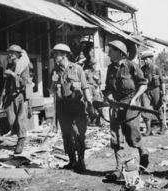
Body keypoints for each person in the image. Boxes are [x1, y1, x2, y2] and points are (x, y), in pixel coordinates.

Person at [103, 40, 149, 180]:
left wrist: (135, 98)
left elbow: (143, 85)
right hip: (116, 105)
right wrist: (110, 97)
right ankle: (118, 169)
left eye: (111, 51)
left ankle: (144, 155)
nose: (108, 53)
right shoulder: (110, 68)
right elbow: (108, 89)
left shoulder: (131, 66)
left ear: (119, 52)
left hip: (130, 105)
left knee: (132, 136)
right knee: (115, 137)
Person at [50, 43, 93, 173]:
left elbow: (85, 87)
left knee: (79, 134)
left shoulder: (77, 68)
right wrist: (53, 82)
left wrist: (90, 104)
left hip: (77, 107)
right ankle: (71, 161)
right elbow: (51, 91)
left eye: (56, 54)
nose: (53, 57)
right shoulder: (55, 71)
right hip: (63, 108)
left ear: (64, 55)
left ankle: (81, 162)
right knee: (67, 135)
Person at [0, 44, 30, 154]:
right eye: (9, 52)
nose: (10, 55)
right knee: (11, 119)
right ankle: (17, 136)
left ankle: (21, 142)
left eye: (13, 53)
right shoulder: (10, 64)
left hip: (21, 95)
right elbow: (6, 81)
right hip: (10, 94)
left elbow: (25, 82)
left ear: (18, 54)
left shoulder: (24, 66)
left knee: (20, 119)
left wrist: (12, 74)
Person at [140, 50, 166, 135]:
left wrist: (164, 94)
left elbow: (162, 81)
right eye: (144, 60)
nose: (145, 61)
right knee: (145, 109)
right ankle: (148, 129)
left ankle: (163, 127)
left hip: (155, 90)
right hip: (146, 91)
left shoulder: (156, 68)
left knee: (157, 108)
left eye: (146, 59)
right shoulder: (142, 69)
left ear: (151, 59)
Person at [84, 57, 102, 126]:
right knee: (89, 104)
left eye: (95, 64)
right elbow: (84, 83)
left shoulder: (97, 72)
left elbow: (99, 83)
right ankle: (91, 120)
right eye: (93, 64)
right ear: (90, 65)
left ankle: (98, 120)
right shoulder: (86, 72)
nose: (95, 66)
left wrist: (100, 91)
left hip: (96, 90)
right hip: (89, 89)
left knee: (98, 104)